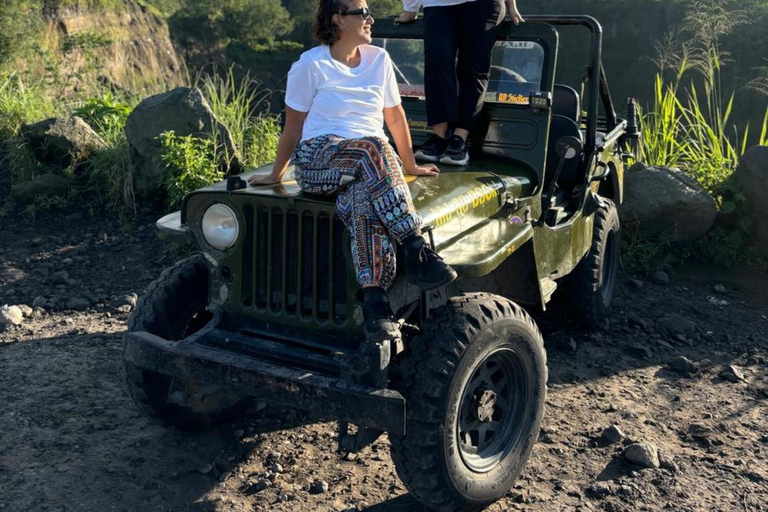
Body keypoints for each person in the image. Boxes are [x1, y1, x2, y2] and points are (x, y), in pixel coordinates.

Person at [248, 0, 457, 343]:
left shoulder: (379, 60)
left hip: (367, 163)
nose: (370, 19)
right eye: (362, 13)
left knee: (364, 200)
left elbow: (394, 117)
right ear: (337, 20)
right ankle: (414, 245)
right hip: (318, 160)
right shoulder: (310, 66)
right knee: (373, 147)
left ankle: (375, 302)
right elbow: (293, 127)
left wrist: (409, 165)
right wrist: (276, 173)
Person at [396, 0, 524, 166]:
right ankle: (439, 136)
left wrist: (511, 5)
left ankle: (459, 139)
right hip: (437, 4)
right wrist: (410, 9)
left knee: (473, 66)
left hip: (481, 4)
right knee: (436, 64)